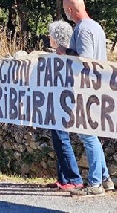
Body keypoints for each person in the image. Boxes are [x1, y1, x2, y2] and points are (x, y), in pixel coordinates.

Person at [58, 0, 114, 196]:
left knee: (88, 135)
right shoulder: (96, 27)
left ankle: (95, 183)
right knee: (92, 135)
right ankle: (105, 179)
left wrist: (64, 51)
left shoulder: (82, 30)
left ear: (70, 10)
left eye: (66, 10)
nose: (66, 13)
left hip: (86, 89)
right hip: (97, 88)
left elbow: (85, 59)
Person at [46, 20, 83, 191]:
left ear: (56, 37)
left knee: (62, 138)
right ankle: (62, 178)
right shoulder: (59, 53)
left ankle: (74, 178)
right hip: (57, 100)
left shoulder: (65, 54)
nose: (48, 37)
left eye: (50, 35)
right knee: (58, 139)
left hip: (63, 102)